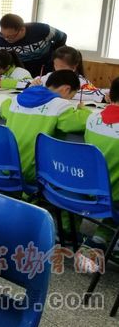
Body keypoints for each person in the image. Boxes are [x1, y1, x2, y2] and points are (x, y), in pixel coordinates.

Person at [0, 70, 92, 183]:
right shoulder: (59, 105)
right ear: (66, 89)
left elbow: (4, 107)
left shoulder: (17, 99)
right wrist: (83, 109)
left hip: (7, 167)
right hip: (32, 174)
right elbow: (83, 122)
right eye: (71, 96)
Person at [83, 77, 119, 254]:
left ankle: (100, 237)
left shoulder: (92, 118)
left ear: (110, 96)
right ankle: (105, 237)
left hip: (87, 187)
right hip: (113, 196)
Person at [0, 13, 67, 76]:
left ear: (22, 30)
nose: (6, 39)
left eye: (10, 36)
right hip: (21, 68)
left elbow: (62, 37)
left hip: (45, 66)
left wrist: (53, 56)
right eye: (4, 35)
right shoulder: (0, 38)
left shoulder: (42, 30)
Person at [30, 45, 105, 102]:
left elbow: (97, 93)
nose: (58, 70)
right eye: (55, 65)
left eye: (62, 66)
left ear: (74, 67)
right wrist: (33, 84)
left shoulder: (81, 81)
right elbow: (29, 84)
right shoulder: (49, 76)